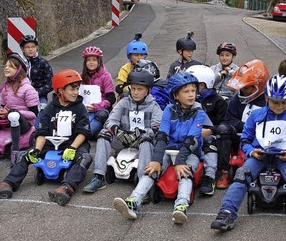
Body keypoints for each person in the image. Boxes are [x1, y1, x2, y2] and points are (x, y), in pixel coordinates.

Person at [210, 75, 286, 239]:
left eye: (284, 103)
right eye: (275, 102)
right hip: (260, 155)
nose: (279, 107)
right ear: (266, 98)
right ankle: (227, 212)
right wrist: (251, 151)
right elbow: (245, 140)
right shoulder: (256, 115)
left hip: (284, 156)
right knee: (242, 174)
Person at [0, 69, 93, 206]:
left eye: (77, 89)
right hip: (50, 142)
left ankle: (66, 188)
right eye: (72, 89)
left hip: (73, 143)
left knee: (85, 158)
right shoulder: (50, 108)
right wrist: (37, 150)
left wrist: (73, 147)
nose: (75, 92)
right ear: (60, 90)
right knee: (23, 155)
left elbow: (83, 132)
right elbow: (42, 131)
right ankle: (7, 184)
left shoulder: (80, 108)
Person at [113, 72, 206, 225]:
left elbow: (192, 139)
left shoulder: (199, 112)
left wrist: (181, 161)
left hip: (189, 151)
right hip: (169, 149)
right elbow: (162, 135)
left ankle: (181, 206)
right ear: (176, 95)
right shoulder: (169, 110)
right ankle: (134, 201)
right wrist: (156, 160)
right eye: (186, 91)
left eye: (193, 91)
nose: (191, 95)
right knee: (151, 170)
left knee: (185, 173)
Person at [83, 70, 162, 193]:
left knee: (147, 140)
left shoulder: (154, 106)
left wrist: (140, 133)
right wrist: (116, 130)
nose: (135, 92)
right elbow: (110, 120)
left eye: (139, 89)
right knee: (104, 134)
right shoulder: (124, 102)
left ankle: (143, 182)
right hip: (123, 138)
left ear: (148, 90)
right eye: (133, 88)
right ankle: (99, 176)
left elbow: (157, 127)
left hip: (142, 141)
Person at [215, 59, 269, 189]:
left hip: (261, 139)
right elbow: (229, 118)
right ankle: (223, 170)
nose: (244, 91)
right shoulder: (237, 99)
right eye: (242, 87)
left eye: (247, 87)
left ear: (259, 85)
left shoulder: (268, 102)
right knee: (223, 129)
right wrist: (245, 126)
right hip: (239, 135)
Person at [0, 53, 39, 163]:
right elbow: (2, 106)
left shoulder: (28, 89)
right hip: (8, 120)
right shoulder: (5, 87)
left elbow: (34, 115)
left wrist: (15, 112)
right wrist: (1, 111)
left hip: (24, 123)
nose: (6, 68)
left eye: (10, 66)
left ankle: (15, 150)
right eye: (5, 66)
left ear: (19, 69)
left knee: (14, 114)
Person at [185, 65, 228, 196]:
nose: (191, 91)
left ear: (204, 85)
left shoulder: (219, 101)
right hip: (189, 133)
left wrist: (209, 131)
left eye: (195, 86)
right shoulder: (188, 100)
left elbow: (223, 124)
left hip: (209, 134)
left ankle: (209, 177)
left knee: (210, 143)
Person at [80, 46, 115, 137]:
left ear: (99, 62)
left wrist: (97, 106)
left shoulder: (105, 76)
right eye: (88, 60)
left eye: (94, 60)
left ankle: (87, 134)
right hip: (85, 108)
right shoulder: (81, 76)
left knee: (102, 115)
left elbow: (111, 98)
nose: (91, 62)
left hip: (100, 109)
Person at [20, 35, 53, 113]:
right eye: (27, 47)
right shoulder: (19, 63)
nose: (31, 49)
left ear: (37, 48)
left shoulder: (43, 63)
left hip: (39, 95)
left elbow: (50, 83)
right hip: (22, 95)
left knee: (41, 112)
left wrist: (36, 92)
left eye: (33, 46)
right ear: (23, 49)